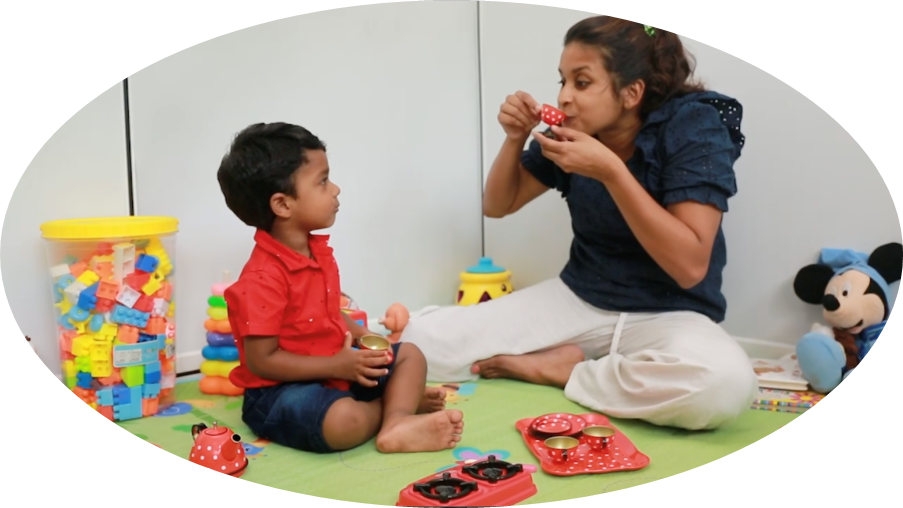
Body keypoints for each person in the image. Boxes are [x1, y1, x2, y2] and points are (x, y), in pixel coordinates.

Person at [399, 17, 758, 431]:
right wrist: (515, 138)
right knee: (415, 344)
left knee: (722, 386)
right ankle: (589, 364)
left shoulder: (693, 126)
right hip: (579, 298)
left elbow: (690, 266)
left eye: (581, 83)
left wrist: (612, 173)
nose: (564, 97)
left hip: (673, 312)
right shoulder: (572, 131)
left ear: (632, 92)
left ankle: (568, 371)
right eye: (563, 80)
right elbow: (497, 205)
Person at [216, 122, 464, 454]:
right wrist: (338, 365)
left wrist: (363, 337)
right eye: (322, 182)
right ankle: (393, 407)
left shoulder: (317, 253)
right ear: (283, 205)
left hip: (337, 372)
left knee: (410, 355)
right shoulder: (263, 278)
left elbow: (328, 313)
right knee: (343, 422)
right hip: (281, 391)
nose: (335, 189)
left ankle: (397, 422)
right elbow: (263, 361)